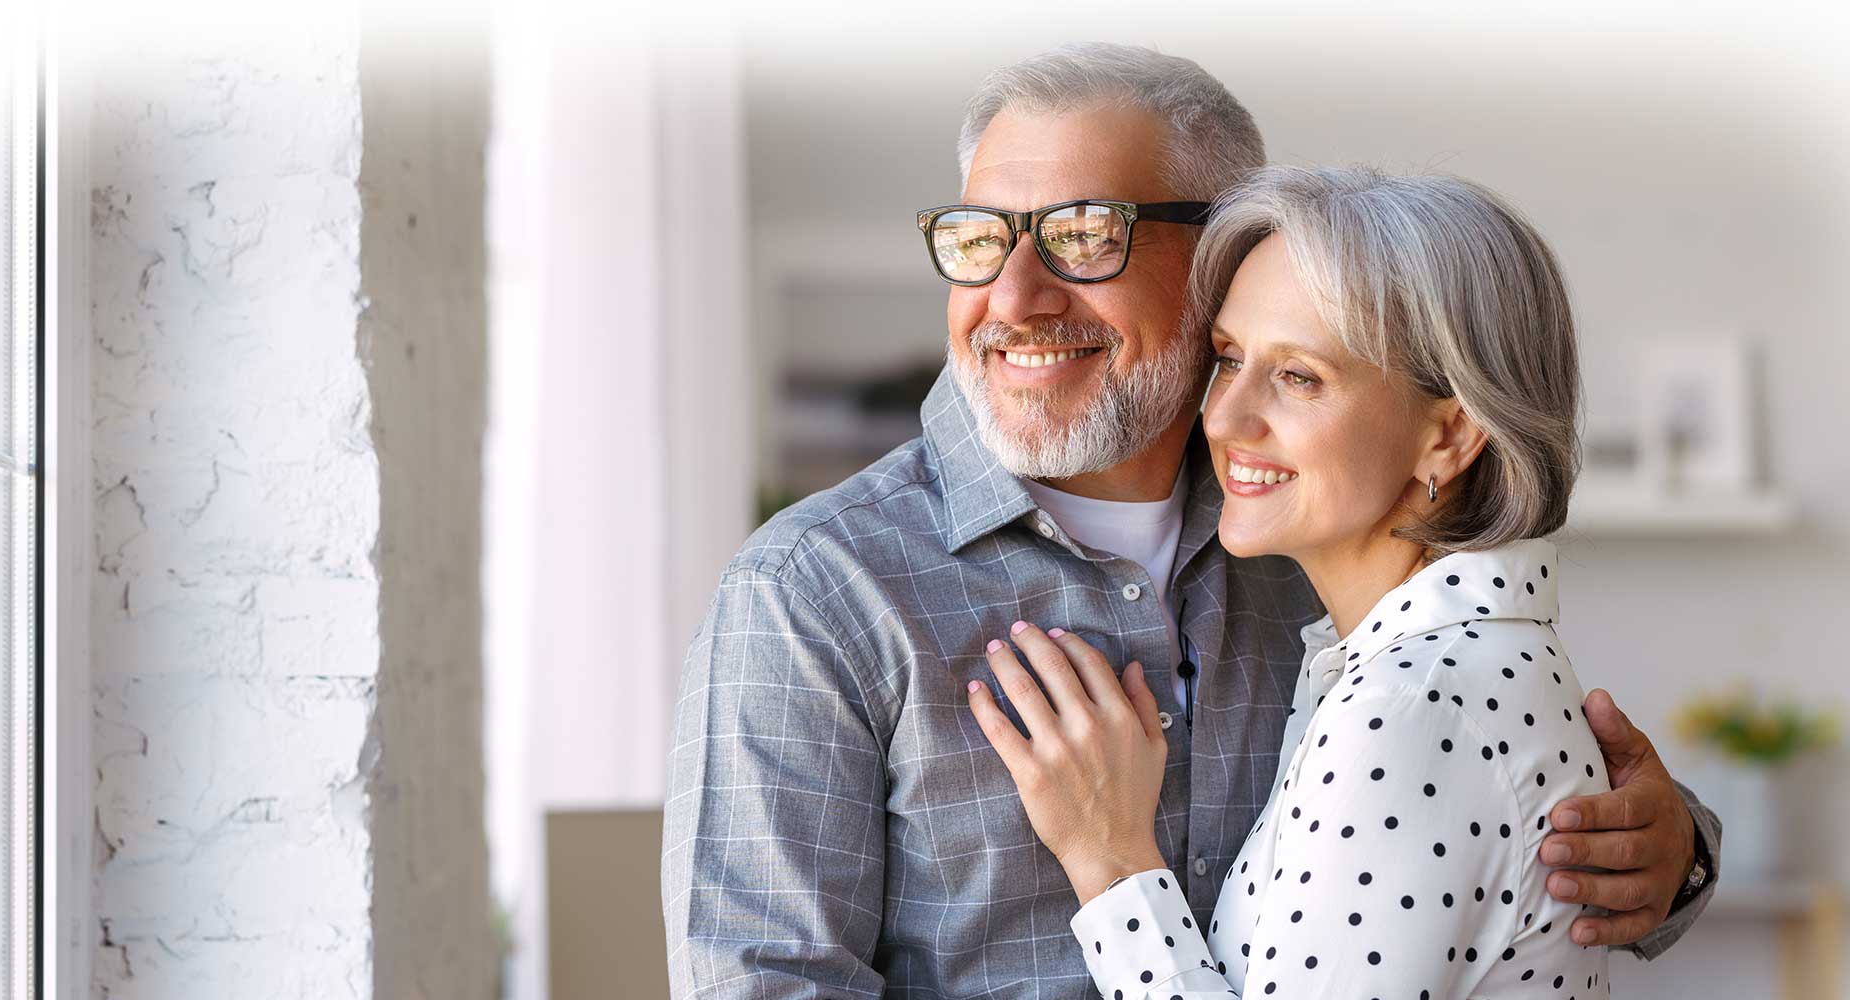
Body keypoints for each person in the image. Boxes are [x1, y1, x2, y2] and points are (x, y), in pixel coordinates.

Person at [661, 43, 1718, 1000]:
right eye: (980, 239)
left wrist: (1671, 855)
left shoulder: (1321, 534)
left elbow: (1484, 834)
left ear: (1217, 258)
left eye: (1082, 235)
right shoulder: (813, 595)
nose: (1014, 296)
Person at [967, 165, 1637, 999]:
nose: (1223, 416)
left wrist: (1109, 860)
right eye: (1229, 358)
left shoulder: (1412, 705)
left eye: (1299, 377)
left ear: (1450, 436)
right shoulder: (1418, 668)